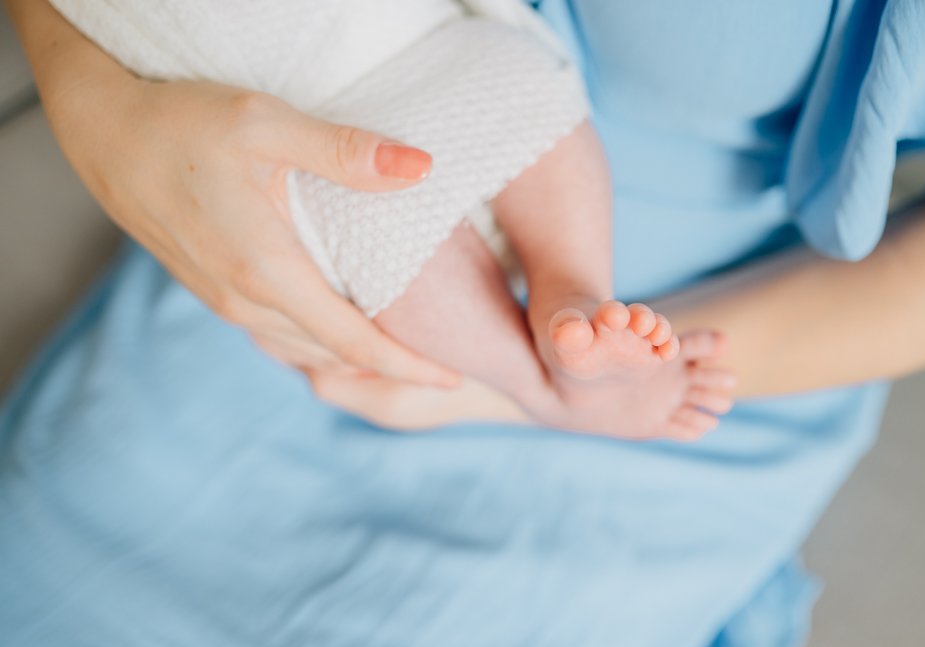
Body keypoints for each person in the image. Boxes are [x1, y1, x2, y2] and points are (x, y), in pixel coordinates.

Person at [1, 0, 925, 647]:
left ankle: (550, 358)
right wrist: (92, 92)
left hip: (705, 338)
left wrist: (501, 398)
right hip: (298, 227)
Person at [49, 0, 730, 441]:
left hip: (414, 36)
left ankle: (575, 295)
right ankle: (537, 387)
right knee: (379, 228)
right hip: (295, 112)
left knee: (530, 97)